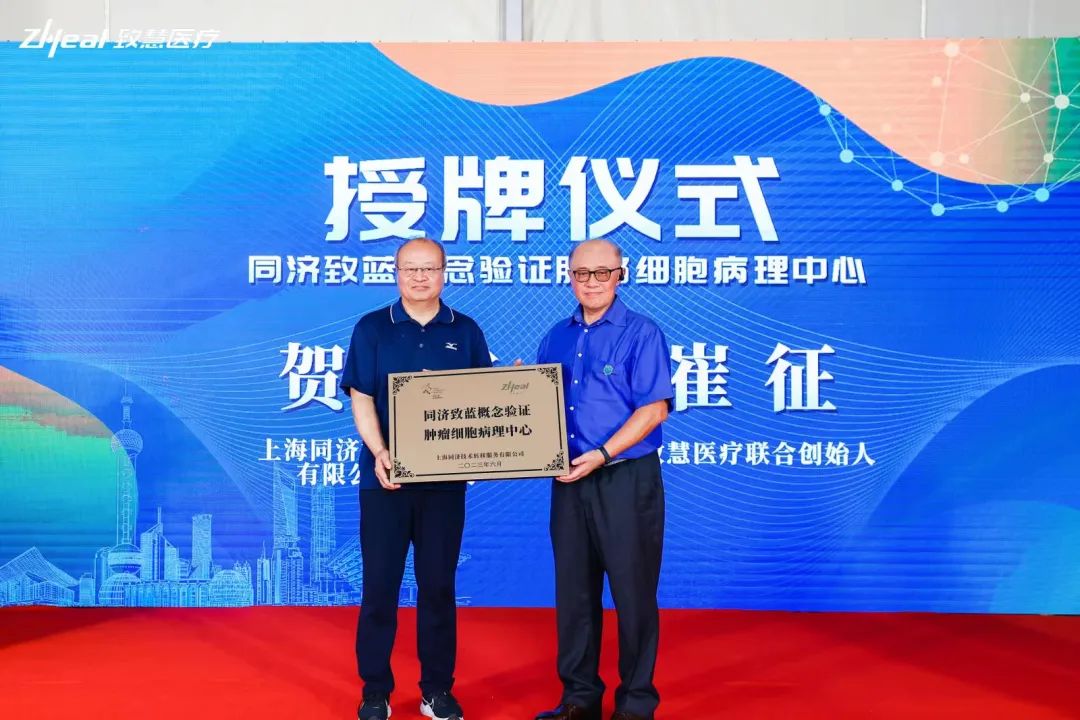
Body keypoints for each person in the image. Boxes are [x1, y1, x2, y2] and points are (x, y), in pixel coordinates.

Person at [341, 237, 491, 720]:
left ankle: (436, 691)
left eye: (429, 268)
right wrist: (380, 452)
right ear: (397, 272)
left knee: (438, 588)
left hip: (445, 486)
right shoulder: (372, 328)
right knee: (379, 587)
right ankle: (375, 691)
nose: (420, 277)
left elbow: (482, 400)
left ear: (445, 272)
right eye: (410, 268)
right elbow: (362, 397)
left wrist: (513, 389)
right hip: (384, 480)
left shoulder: (465, 330)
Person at [533, 239, 673, 720]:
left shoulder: (642, 333)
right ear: (569, 276)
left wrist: (603, 453)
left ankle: (635, 703)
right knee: (574, 593)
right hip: (568, 478)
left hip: (625, 478)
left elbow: (654, 409)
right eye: (581, 273)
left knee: (633, 594)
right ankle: (579, 698)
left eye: (602, 273)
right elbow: (538, 406)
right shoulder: (556, 336)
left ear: (620, 275)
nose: (591, 283)